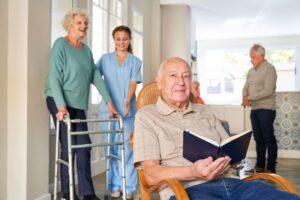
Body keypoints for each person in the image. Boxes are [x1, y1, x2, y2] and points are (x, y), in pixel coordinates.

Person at [133, 57, 299, 200]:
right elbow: (151, 174)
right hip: (189, 191)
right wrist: (193, 172)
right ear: (159, 81)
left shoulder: (204, 111)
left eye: (186, 76)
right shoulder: (147, 116)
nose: (181, 82)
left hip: (237, 187)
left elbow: (228, 150)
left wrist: (233, 158)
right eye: (173, 75)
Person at [45, 9, 117, 200]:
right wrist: (61, 106)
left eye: (85, 23)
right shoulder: (60, 45)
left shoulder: (86, 50)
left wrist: (109, 102)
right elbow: (53, 77)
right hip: (58, 99)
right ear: (70, 24)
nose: (83, 26)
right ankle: (68, 193)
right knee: (68, 145)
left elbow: (96, 77)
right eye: (79, 23)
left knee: (84, 145)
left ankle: (88, 193)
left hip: (77, 104)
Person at [96, 25, 142, 199]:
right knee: (113, 149)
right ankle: (114, 185)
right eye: (118, 39)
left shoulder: (135, 62)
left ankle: (129, 187)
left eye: (125, 39)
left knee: (128, 150)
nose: (121, 42)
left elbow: (133, 82)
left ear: (129, 40)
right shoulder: (105, 60)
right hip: (107, 111)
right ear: (113, 40)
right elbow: (94, 78)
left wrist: (128, 100)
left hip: (128, 112)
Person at [242, 44, 278, 174]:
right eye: (251, 57)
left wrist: (250, 98)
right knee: (258, 139)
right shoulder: (251, 71)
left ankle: (271, 167)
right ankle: (260, 165)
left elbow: (268, 90)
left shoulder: (270, 69)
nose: (251, 60)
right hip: (255, 110)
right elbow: (245, 87)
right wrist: (245, 97)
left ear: (262, 56)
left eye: (254, 57)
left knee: (268, 138)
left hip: (266, 110)